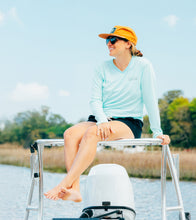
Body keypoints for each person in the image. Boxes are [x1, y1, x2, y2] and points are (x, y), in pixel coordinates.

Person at [44, 25, 170, 202]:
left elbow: (150, 100)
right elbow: (95, 100)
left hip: (128, 121)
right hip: (101, 119)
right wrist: (102, 120)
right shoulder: (101, 68)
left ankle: (63, 184)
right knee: (70, 134)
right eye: (107, 41)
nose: (108, 44)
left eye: (113, 40)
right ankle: (76, 190)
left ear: (128, 44)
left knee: (92, 133)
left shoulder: (143, 66)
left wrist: (158, 132)